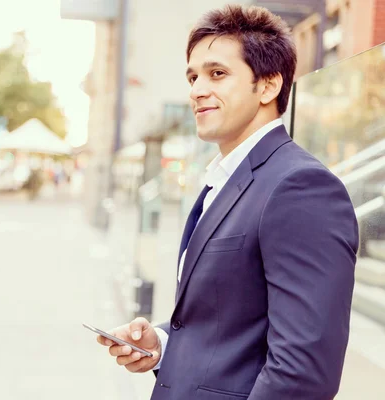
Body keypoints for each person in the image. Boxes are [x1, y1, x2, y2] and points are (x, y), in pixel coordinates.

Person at [96, 5, 359, 400]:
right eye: (193, 76)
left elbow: (303, 374)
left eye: (217, 73)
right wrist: (163, 345)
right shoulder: (223, 180)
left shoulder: (301, 188)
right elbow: (228, 326)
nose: (197, 89)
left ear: (268, 86)